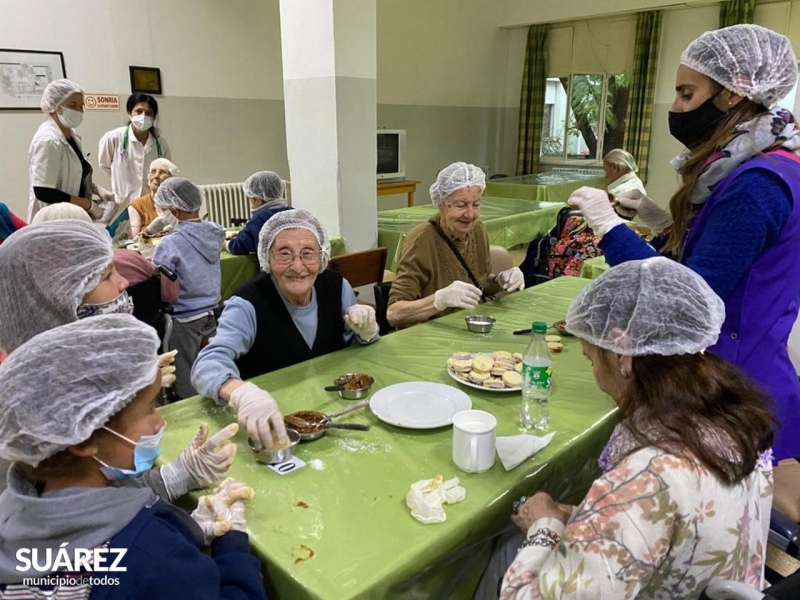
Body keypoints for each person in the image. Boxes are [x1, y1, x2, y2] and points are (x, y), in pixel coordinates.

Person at [568, 24, 800, 462]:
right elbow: (724, 248)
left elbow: (683, 298)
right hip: (745, 366)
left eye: (686, 94)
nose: (674, 108)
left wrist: (607, 226)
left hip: (731, 387)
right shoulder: (771, 163)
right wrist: (661, 219)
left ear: (732, 94)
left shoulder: (756, 185)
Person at [478, 257, 773, 599]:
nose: (593, 372)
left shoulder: (647, 477)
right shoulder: (738, 419)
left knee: (508, 549)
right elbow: (662, 530)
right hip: (714, 581)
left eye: (591, 358)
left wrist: (545, 526)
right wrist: (582, 515)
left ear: (623, 354)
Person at [0, 315, 265, 599]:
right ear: (82, 441)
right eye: (150, 409)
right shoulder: (156, 559)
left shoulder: (13, 509)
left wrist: (187, 525)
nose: (160, 423)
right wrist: (232, 543)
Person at [0, 220, 235, 501]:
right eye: (107, 275)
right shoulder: (27, 406)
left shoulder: (64, 365)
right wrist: (173, 479)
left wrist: (130, 389)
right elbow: (85, 502)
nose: (124, 282)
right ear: (58, 300)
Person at [192, 208, 379, 449]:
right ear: (267, 258)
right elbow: (206, 365)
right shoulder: (247, 303)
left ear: (321, 257)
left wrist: (367, 333)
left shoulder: (337, 287)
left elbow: (354, 352)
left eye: (307, 254)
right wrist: (242, 394)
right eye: (284, 254)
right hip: (271, 423)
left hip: (332, 411)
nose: (297, 266)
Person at [387, 162, 525, 328]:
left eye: (476, 204)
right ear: (442, 204)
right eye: (461, 205)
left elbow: (479, 285)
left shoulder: (478, 230)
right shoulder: (422, 240)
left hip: (467, 325)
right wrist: (439, 300)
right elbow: (394, 314)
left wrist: (500, 280)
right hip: (430, 334)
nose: (470, 214)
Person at [152, 177, 225, 400]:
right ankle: (216, 395)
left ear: (174, 210)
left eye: (163, 210)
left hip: (185, 315)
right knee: (212, 360)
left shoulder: (170, 243)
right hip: (212, 309)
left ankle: (188, 406)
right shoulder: (214, 232)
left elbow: (160, 275)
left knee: (183, 366)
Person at [27, 79, 111, 222]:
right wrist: (88, 205)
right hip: (53, 219)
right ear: (55, 106)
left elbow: (71, 175)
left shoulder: (70, 136)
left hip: (73, 216)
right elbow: (44, 191)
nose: (78, 111)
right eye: (72, 105)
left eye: (81, 106)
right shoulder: (48, 140)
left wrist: (96, 189)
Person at [99, 93, 172, 206]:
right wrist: (121, 183)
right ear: (129, 113)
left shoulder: (161, 144)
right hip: (123, 204)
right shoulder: (113, 138)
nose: (143, 116)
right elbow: (105, 166)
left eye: (148, 113)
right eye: (138, 111)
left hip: (152, 204)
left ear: (154, 117)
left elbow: (166, 174)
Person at [225, 170, 292, 255]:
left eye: (251, 199)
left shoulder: (259, 219)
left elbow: (240, 246)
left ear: (257, 200)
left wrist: (225, 244)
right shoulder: (292, 212)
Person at [129, 158, 180, 237]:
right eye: (153, 172)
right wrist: (149, 231)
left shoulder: (179, 204)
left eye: (162, 172)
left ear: (171, 179)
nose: (156, 176)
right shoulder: (137, 206)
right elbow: (133, 240)